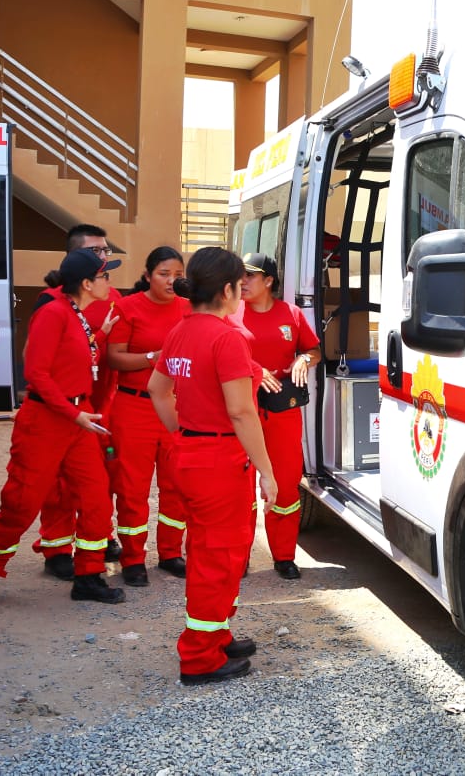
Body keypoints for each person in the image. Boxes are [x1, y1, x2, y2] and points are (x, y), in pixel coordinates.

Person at [0, 249, 126, 610]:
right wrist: (75, 415)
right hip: (49, 421)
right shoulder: (53, 313)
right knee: (21, 503)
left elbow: (77, 359)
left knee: (96, 499)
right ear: (86, 284)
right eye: (104, 276)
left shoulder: (76, 315)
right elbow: (36, 374)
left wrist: (100, 334)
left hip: (77, 417)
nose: (109, 282)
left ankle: (88, 576)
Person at [149, 247, 277, 684]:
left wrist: (183, 432)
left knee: (211, 551)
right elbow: (242, 412)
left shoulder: (180, 330)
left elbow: (156, 389)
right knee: (217, 558)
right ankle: (200, 657)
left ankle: (216, 633)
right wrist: (268, 470)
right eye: (240, 287)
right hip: (220, 461)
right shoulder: (227, 339)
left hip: (191, 455)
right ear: (227, 290)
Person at [30, 224, 124, 579]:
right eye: (96, 252)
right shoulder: (52, 301)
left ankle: (98, 539)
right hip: (66, 406)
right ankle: (55, 546)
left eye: (105, 252)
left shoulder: (111, 297)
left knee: (101, 480)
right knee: (57, 483)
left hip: (101, 402)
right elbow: (39, 367)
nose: (103, 258)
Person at [106, 246, 189, 586]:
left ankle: (170, 553)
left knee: (176, 485)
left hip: (175, 406)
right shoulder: (128, 308)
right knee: (132, 487)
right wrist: (155, 356)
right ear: (147, 276)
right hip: (134, 407)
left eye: (178, 275)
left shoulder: (189, 309)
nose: (172, 281)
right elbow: (114, 358)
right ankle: (133, 559)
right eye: (164, 274)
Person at [235, 253, 319, 579]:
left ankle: (284, 556)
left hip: (283, 412)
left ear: (268, 280)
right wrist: (256, 370)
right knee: (240, 490)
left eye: (249, 275)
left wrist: (303, 360)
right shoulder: (232, 315)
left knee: (285, 485)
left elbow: (314, 350)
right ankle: (239, 557)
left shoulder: (291, 314)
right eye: (239, 275)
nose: (242, 281)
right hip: (243, 409)